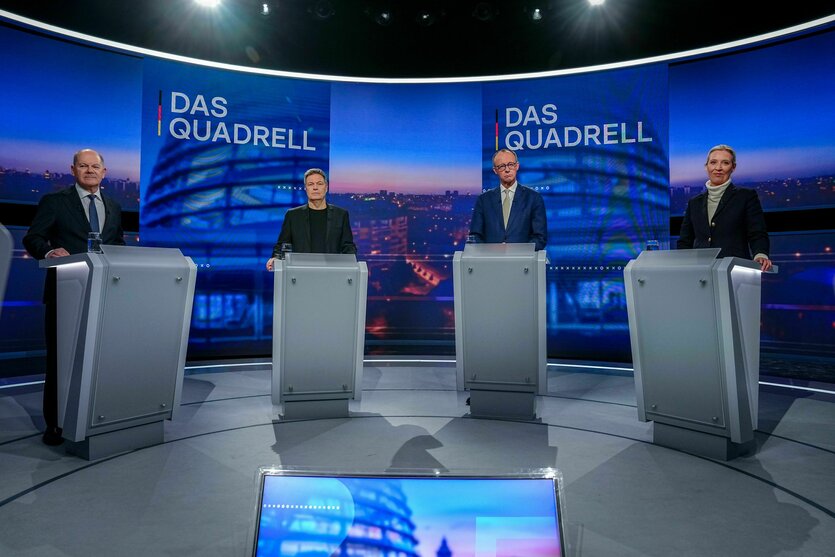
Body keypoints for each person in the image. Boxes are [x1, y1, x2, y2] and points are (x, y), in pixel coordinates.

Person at [23, 149, 125, 446]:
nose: (90, 170)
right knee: (61, 361)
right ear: (73, 170)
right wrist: (49, 251)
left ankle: (95, 418)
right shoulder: (55, 202)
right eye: (84, 166)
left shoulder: (114, 206)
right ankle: (55, 425)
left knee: (100, 361)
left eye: (95, 166)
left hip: (105, 293)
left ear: (104, 172)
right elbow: (33, 237)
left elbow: (116, 244)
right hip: (66, 291)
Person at [677, 145, 772, 272]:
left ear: (733, 167)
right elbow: (685, 241)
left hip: (735, 271)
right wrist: (682, 267)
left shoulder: (745, 196)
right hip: (700, 273)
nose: (718, 168)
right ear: (707, 167)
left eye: (725, 163)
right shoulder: (694, 202)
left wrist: (760, 254)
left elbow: (757, 232)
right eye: (713, 162)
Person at [265, 168, 356, 271]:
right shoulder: (293, 215)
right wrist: (276, 258)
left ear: (326, 187)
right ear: (306, 188)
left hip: (331, 273)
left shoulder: (341, 215)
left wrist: (350, 264)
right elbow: (282, 244)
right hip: (300, 273)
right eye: (311, 184)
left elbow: (348, 246)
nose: (315, 187)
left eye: (319, 184)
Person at [468, 149, 547, 250]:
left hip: (523, 263)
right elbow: (475, 236)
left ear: (517, 166)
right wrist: (491, 252)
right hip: (491, 262)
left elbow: (540, 238)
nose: (507, 170)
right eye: (501, 166)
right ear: (495, 170)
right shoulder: (483, 200)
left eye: (510, 164)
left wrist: (514, 252)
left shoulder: (533, 198)